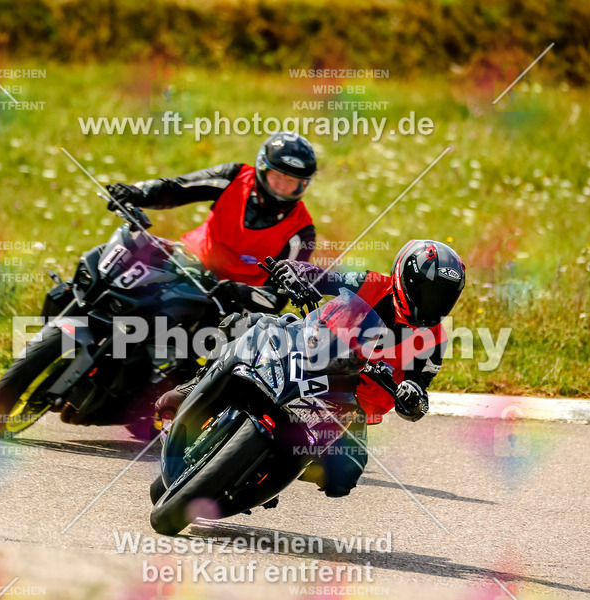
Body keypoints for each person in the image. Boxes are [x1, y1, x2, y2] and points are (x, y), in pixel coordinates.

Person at [268, 239, 466, 497]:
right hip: (313, 360)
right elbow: (324, 277)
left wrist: (413, 396)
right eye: (427, 292)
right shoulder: (371, 283)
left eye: (442, 297)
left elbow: (420, 392)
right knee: (257, 327)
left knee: (343, 477)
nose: (432, 303)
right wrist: (296, 271)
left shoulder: (436, 340)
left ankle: (268, 476)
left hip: (348, 406)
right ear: (404, 280)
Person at [105, 131, 318, 292]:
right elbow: (176, 189)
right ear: (262, 168)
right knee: (117, 265)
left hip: (231, 299)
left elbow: (281, 291)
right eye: (277, 176)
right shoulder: (233, 176)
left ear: (303, 185)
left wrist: (243, 296)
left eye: (291, 181)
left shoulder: (302, 231)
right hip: (186, 262)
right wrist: (135, 193)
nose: (282, 186)